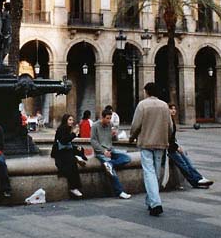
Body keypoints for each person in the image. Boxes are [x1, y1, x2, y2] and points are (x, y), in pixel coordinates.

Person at [130, 82, 174, 216]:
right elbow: (170, 127)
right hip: (160, 143)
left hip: (146, 143)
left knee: (149, 172)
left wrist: (132, 136)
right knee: (155, 172)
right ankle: (150, 201)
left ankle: (156, 203)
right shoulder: (164, 106)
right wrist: (167, 138)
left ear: (147, 92)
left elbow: (136, 124)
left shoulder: (142, 105)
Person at [168, 103, 213, 188]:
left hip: (172, 147)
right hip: (169, 149)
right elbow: (167, 138)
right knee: (183, 165)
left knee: (188, 162)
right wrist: (176, 147)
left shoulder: (171, 120)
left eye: (174, 108)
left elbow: (172, 138)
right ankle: (195, 181)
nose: (173, 110)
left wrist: (177, 146)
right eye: (171, 109)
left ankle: (199, 178)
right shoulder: (167, 121)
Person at [90, 108, 132, 199]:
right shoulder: (95, 126)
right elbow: (93, 141)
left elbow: (114, 140)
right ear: (103, 117)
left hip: (111, 150)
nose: (109, 120)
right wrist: (103, 151)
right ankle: (120, 191)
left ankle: (110, 164)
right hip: (101, 152)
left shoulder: (110, 125)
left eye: (110, 118)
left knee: (127, 158)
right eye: (107, 118)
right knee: (111, 171)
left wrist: (115, 135)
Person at [52, 113, 87, 199]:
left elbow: (68, 142)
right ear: (65, 120)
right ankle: (73, 187)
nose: (72, 121)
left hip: (66, 148)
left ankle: (78, 157)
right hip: (60, 152)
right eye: (70, 120)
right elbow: (64, 141)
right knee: (71, 162)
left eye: (72, 120)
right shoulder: (61, 129)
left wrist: (76, 147)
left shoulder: (68, 128)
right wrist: (74, 134)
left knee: (80, 149)